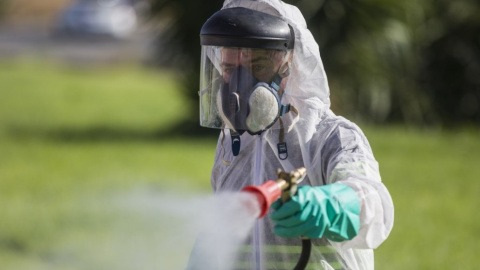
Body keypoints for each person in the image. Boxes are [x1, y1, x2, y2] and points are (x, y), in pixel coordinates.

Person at [197, 0, 394, 269]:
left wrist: (331, 207)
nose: (239, 86)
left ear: (289, 65)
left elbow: (375, 205)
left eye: (257, 67)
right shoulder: (232, 144)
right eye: (231, 70)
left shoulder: (330, 136)